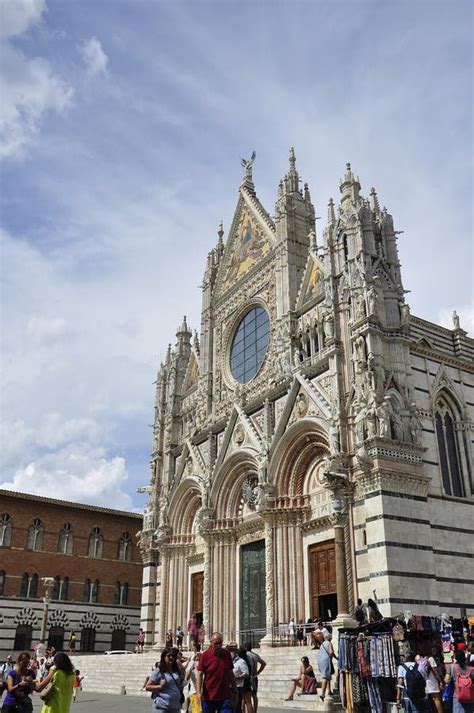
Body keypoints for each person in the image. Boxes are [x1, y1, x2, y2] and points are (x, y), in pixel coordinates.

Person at [196, 632, 235, 713]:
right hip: (208, 697)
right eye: (216, 644)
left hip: (224, 696)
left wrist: (235, 688)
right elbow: (200, 674)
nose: (218, 646)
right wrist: (199, 693)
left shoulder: (226, 654)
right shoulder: (205, 655)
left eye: (220, 643)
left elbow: (230, 672)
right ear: (211, 642)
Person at [146, 648, 184, 713]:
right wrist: (160, 686)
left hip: (175, 707)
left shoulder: (176, 670)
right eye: (168, 656)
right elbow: (148, 687)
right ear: (163, 657)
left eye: (172, 656)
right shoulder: (159, 670)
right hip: (162, 707)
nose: (171, 657)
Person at [245, 643, 266, 713]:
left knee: (246, 696)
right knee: (254, 695)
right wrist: (258, 672)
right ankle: (255, 710)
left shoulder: (245, 655)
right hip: (254, 677)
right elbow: (263, 663)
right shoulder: (255, 655)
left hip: (248, 677)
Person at [232, 648, 253, 713]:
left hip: (241, 685)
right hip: (232, 686)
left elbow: (246, 674)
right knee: (242, 703)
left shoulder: (241, 661)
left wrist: (237, 677)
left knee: (245, 702)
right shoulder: (248, 659)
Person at [318, 633, 336, 703]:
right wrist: (336, 658)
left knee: (328, 675)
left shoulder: (322, 644)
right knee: (325, 677)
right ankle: (322, 694)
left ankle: (329, 690)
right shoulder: (329, 643)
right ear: (330, 638)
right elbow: (331, 652)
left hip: (320, 661)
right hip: (326, 660)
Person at [184, 643, 202, 713]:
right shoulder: (192, 660)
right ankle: (186, 709)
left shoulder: (202, 660)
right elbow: (188, 673)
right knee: (197, 711)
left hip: (203, 691)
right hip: (194, 690)